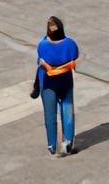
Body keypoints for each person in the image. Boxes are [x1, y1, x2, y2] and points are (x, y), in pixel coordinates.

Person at [34, 16, 81, 158]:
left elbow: (44, 63)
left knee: (50, 114)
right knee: (67, 110)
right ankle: (67, 142)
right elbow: (75, 62)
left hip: (48, 83)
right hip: (65, 81)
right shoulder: (70, 44)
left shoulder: (43, 45)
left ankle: (52, 145)